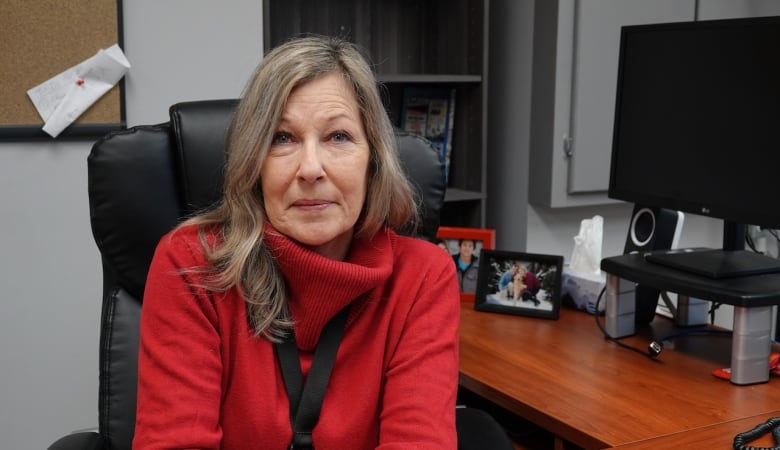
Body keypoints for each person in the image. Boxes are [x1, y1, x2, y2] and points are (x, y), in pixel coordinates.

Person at [133, 36, 460, 450]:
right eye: (282, 138)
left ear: (373, 159)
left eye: (338, 137)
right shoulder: (191, 263)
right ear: (254, 162)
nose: (310, 168)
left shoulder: (423, 276)